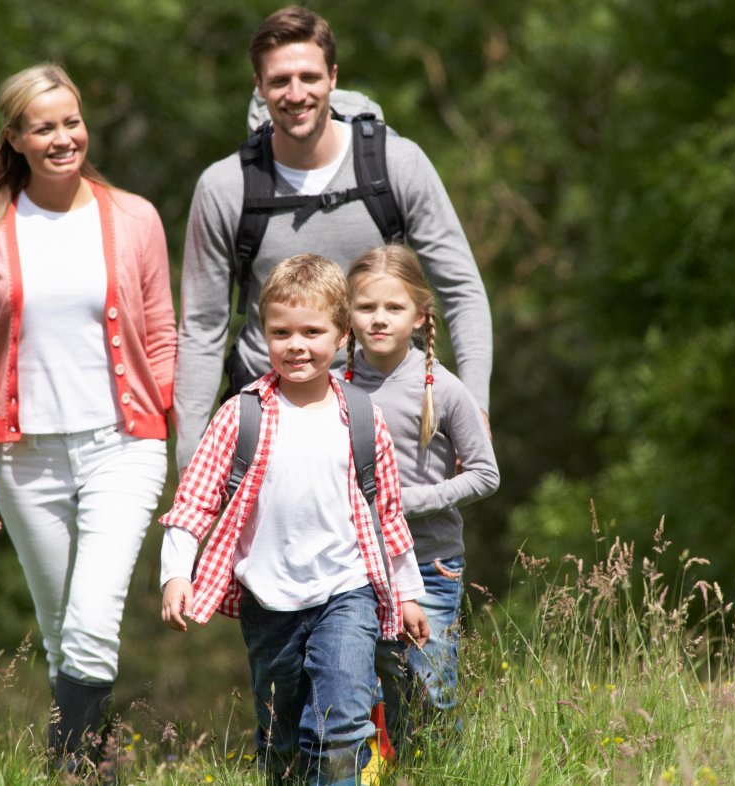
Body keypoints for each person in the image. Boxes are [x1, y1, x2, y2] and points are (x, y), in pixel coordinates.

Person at [0, 63, 176, 772]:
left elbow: (165, 336)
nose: (63, 138)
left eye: (71, 122)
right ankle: (96, 760)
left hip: (124, 445)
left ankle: (65, 770)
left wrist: (180, 434)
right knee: (57, 636)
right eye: (43, 127)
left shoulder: (133, 217)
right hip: (25, 459)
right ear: (15, 138)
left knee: (88, 625)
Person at [173, 5, 493, 470]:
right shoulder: (225, 187)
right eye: (280, 81)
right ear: (259, 87)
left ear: (333, 78)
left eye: (309, 77)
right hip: (272, 419)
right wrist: (190, 456)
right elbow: (202, 328)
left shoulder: (397, 165)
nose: (296, 93)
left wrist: (474, 408)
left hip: (390, 414)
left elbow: (461, 290)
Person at [159, 254, 430, 785]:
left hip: (346, 590)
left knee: (343, 722)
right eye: (281, 332)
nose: (296, 345)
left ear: (342, 335)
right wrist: (175, 574)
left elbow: (387, 514)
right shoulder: (242, 414)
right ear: (264, 335)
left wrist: (407, 592)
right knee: (280, 734)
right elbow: (193, 503)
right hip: (269, 598)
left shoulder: (360, 415)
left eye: (312, 331)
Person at [344, 244, 500, 752]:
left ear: (419, 316)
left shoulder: (444, 388)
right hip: (350, 565)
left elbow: (484, 474)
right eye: (367, 308)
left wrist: (408, 501)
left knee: (427, 689)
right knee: (357, 689)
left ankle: (435, 771)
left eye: (394, 308)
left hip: (429, 562)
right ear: (348, 314)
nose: (379, 319)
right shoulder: (332, 386)